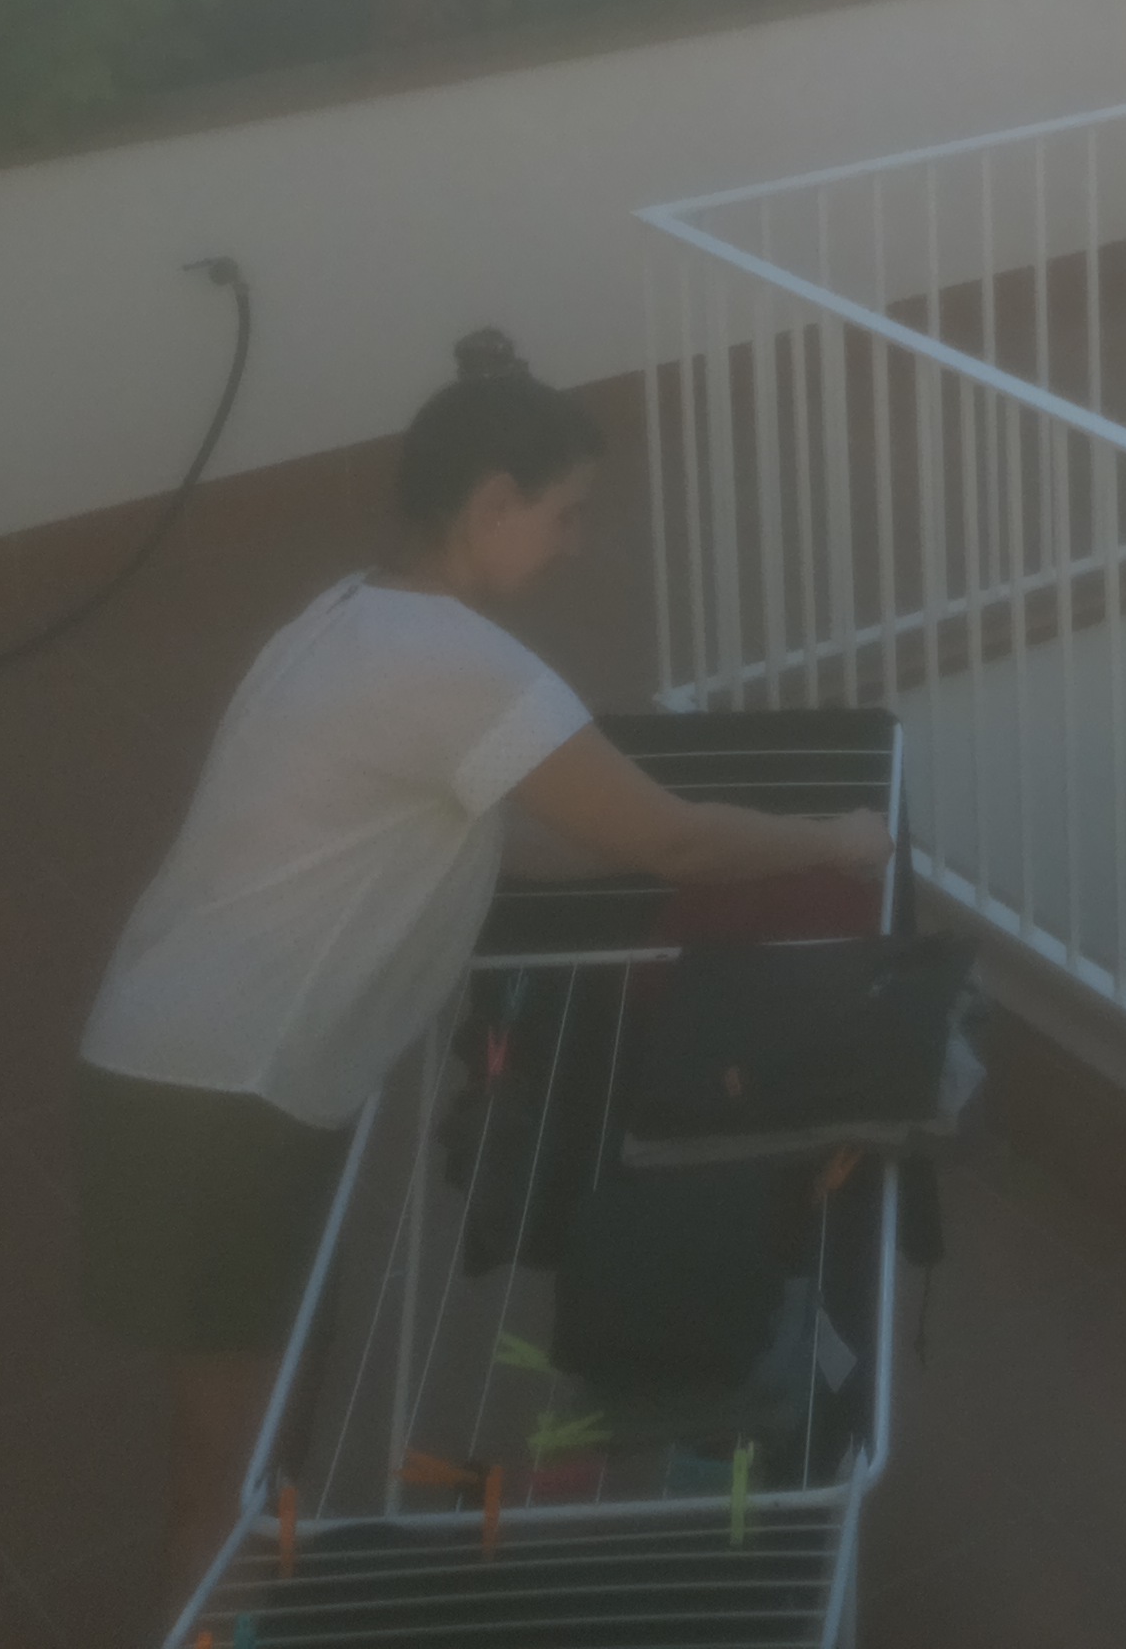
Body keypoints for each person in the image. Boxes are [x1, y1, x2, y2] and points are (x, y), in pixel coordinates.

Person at [73, 329, 889, 1622]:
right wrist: (833, 841)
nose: (574, 545)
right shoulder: (455, 666)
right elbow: (671, 836)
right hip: (219, 1099)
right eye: (565, 514)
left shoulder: (351, 620)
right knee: (223, 1481)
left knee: (267, 1435)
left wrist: (646, 854)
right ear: (493, 501)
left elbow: (513, 836)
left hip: (194, 1068)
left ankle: (244, 1617)